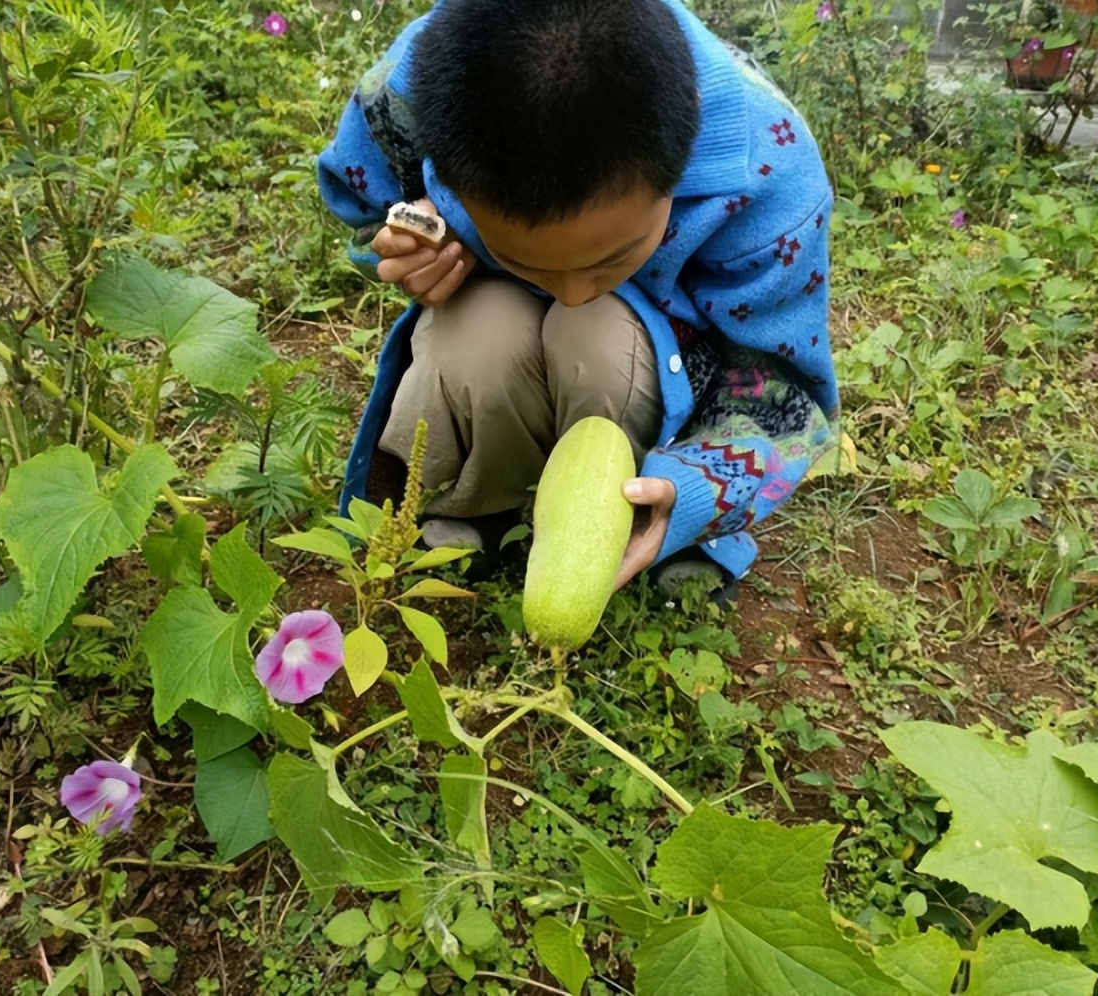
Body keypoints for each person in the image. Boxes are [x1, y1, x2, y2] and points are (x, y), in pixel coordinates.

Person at [317, 0, 839, 598]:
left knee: (592, 332)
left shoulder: (770, 178)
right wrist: (406, 246)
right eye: (525, 255)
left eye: (611, 257)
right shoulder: (412, 96)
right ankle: (484, 501)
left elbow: (780, 389)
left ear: (686, 146)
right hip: (491, 308)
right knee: (479, 337)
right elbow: (366, 206)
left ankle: (649, 512)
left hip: (659, 356)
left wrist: (698, 488)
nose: (571, 291)